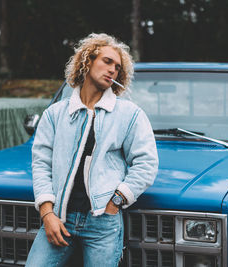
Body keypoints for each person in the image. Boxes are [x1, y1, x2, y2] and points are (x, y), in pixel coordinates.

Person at [26, 33, 159, 267]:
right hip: (59, 218)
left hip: (103, 224)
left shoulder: (129, 115)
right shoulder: (55, 114)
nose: (112, 70)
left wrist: (115, 202)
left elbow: (146, 164)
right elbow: (41, 164)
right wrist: (47, 214)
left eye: (117, 67)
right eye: (107, 61)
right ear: (87, 61)